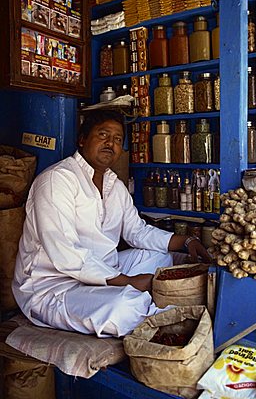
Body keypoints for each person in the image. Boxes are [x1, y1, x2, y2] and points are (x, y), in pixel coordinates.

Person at [13, 110, 211, 338]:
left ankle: (150, 302)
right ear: (82, 139)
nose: (111, 143)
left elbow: (137, 231)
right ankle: (159, 312)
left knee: (160, 259)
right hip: (53, 287)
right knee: (122, 308)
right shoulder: (56, 180)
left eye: (118, 139)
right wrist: (126, 281)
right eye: (103, 135)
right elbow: (65, 253)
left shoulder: (114, 185)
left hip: (104, 270)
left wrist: (187, 240)